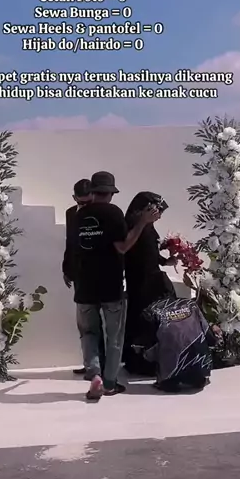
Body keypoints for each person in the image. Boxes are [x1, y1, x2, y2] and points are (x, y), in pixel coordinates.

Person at [73, 171, 160, 400]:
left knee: (88, 333)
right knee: (114, 337)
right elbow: (123, 246)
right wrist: (143, 222)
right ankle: (109, 384)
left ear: (93, 191)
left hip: (84, 286)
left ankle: (94, 374)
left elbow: (73, 248)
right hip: (110, 285)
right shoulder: (113, 213)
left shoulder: (79, 215)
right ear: (111, 193)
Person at [123, 192, 178, 376]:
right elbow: (130, 250)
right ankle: (140, 361)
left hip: (151, 280)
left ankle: (154, 358)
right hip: (141, 282)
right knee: (143, 318)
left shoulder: (147, 226)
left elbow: (149, 252)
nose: (159, 216)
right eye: (157, 211)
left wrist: (165, 261)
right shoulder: (134, 225)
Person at [62, 179, 106, 378]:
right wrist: (67, 269)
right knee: (86, 323)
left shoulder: (103, 213)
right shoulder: (71, 213)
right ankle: (92, 363)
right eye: (81, 202)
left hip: (102, 273)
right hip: (80, 274)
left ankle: (100, 365)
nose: (85, 206)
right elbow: (70, 243)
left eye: (89, 202)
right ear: (74, 198)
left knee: (101, 322)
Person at [140, 297, 217, 392]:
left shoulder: (151, 312)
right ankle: (196, 377)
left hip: (171, 369)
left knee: (154, 352)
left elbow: (149, 351)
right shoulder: (191, 304)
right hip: (199, 367)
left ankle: (169, 380)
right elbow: (208, 334)